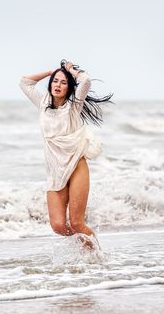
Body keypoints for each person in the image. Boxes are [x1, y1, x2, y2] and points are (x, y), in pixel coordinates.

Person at [19, 59, 113, 248]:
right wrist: (51, 71)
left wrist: (71, 71)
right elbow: (24, 82)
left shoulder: (73, 105)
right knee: (59, 226)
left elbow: (85, 81)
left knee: (77, 223)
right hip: (55, 170)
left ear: (69, 88)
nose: (58, 85)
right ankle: (85, 244)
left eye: (63, 82)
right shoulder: (43, 102)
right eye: (55, 81)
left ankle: (97, 256)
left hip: (76, 165)